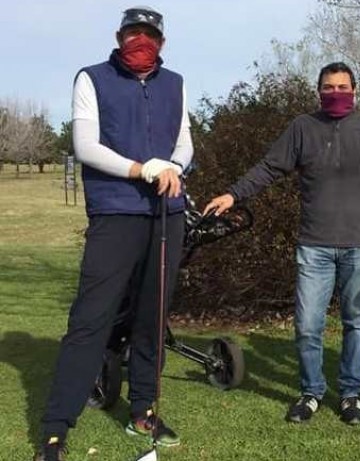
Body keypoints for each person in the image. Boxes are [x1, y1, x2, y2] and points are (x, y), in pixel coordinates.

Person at [203, 62, 360, 426]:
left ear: (355, 91)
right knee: (308, 326)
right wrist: (233, 195)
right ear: (319, 91)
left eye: (343, 87)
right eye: (328, 87)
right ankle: (311, 392)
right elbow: (269, 167)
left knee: (355, 323)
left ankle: (351, 394)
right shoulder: (302, 128)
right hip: (315, 247)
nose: (336, 93)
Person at [35, 6, 192, 461]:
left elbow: (184, 141)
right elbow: (86, 146)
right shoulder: (92, 78)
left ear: (160, 41)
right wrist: (143, 168)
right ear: (119, 36)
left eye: (148, 34)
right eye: (132, 33)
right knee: (90, 321)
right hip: (115, 213)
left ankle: (142, 409)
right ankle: (56, 428)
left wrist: (173, 167)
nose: (140, 41)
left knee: (151, 319)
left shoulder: (175, 83)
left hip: (167, 213)